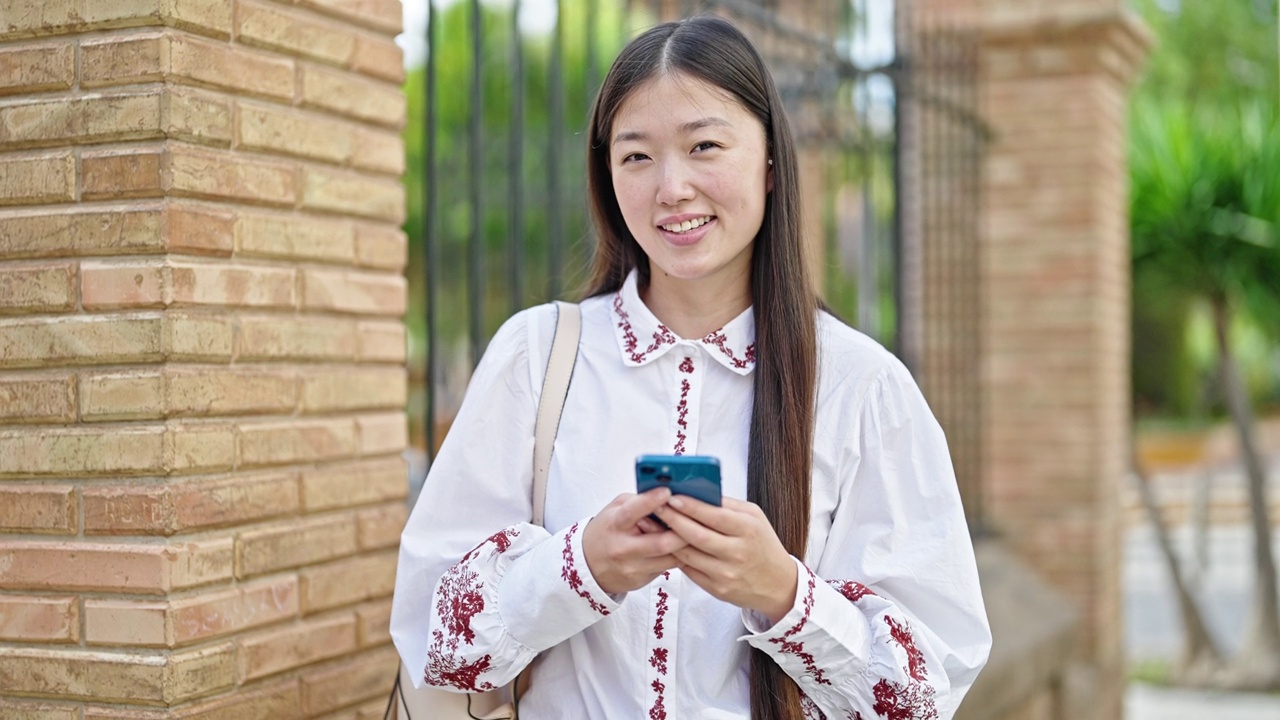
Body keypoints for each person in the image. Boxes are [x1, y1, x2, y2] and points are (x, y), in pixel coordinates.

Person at [391, 15, 991, 720]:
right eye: (636, 156)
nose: (671, 188)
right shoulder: (536, 356)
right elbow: (432, 633)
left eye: (704, 145)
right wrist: (580, 568)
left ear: (770, 163)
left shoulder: (863, 387)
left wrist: (783, 595)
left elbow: (925, 691)